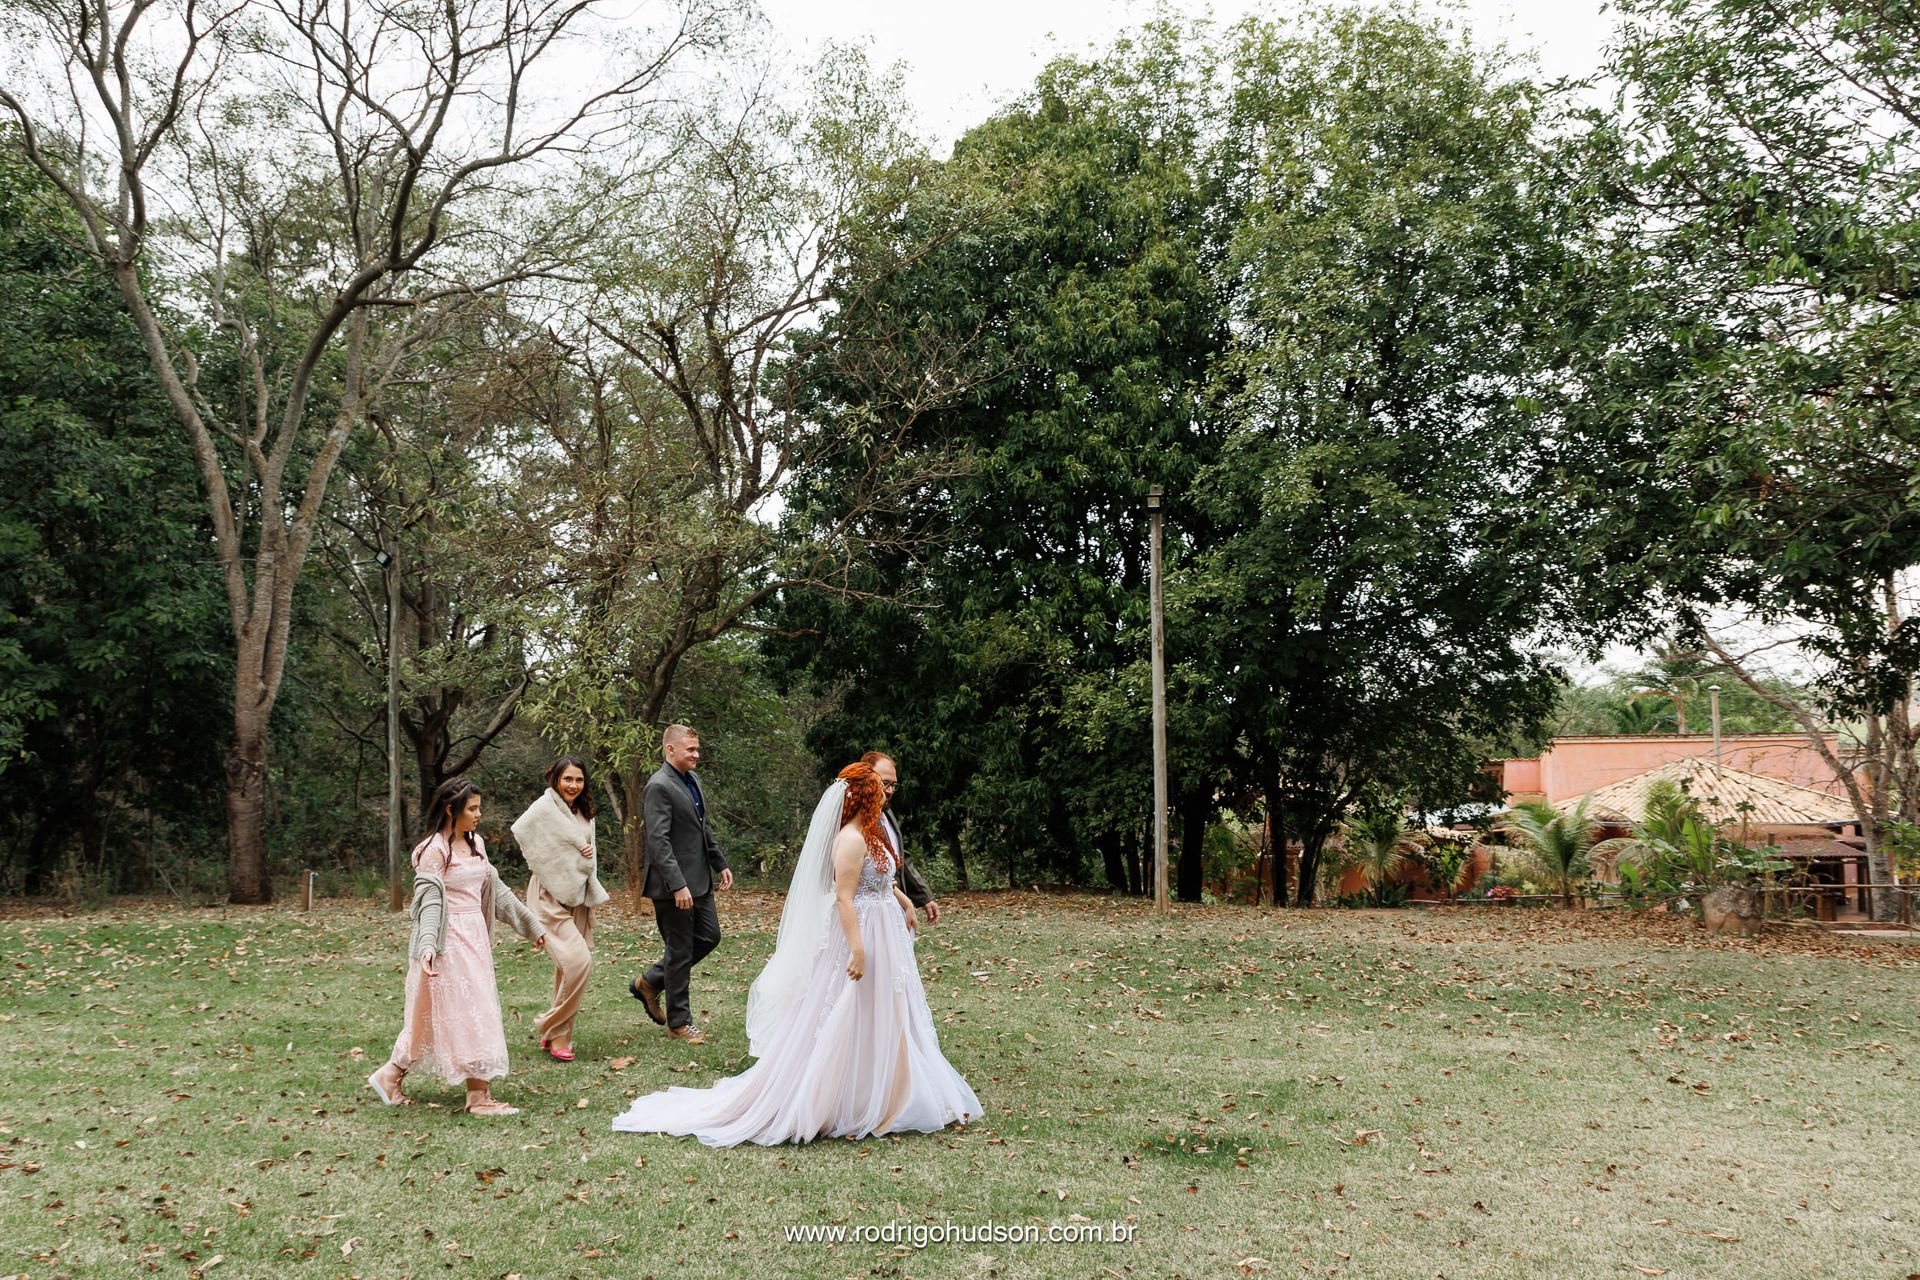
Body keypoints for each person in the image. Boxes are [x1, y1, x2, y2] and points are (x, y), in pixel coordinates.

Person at [610, 761, 979, 1146]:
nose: (885, 796)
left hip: (886, 935)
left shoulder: (873, 835)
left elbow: (881, 880)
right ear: (860, 798)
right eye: (878, 791)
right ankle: (837, 1097)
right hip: (862, 934)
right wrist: (857, 949)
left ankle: (891, 1092)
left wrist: (903, 901)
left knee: (888, 1011)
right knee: (848, 1010)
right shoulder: (851, 840)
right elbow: (844, 897)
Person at [368, 777, 547, 1117]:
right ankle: (478, 1098)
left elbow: (497, 890)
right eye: (473, 808)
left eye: (479, 807)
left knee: (461, 1013)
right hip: (446, 942)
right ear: (451, 810)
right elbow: (429, 904)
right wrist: (427, 948)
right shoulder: (433, 850)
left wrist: (531, 926)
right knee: (460, 1013)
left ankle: (390, 1075)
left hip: (475, 937)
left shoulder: (476, 843)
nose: (479, 814)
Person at [628, 725, 731, 1044]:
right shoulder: (658, 786)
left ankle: (650, 982)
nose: (697, 755)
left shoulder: (693, 780)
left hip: (700, 879)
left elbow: (701, 829)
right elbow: (657, 841)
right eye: (691, 750)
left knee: (709, 937)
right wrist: (677, 885)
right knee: (680, 948)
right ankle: (679, 1022)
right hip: (673, 887)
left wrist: (720, 862)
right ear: (670, 749)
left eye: (697, 749)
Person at [511, 755, 609, 1063]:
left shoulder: (585, 811)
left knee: (565, 969)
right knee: (578, 962)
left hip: (577, 895)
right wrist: (559, 858)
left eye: (579, 780)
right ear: (555, 778)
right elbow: (524, 834)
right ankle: (556, 1030)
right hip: (547, 895)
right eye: (568, 779)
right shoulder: (542, 809)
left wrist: (585, 857)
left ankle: (555, 1033)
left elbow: (586, 849)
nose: (573, 785)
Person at [860, 751, 941, 926]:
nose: (890, 791)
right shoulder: (855, 821)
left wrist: (924, 897)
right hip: (868, 915)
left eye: (894, 785)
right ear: (867, 779)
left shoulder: (887, 813)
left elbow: (900, 857)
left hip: (898, 908)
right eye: (885, 783)